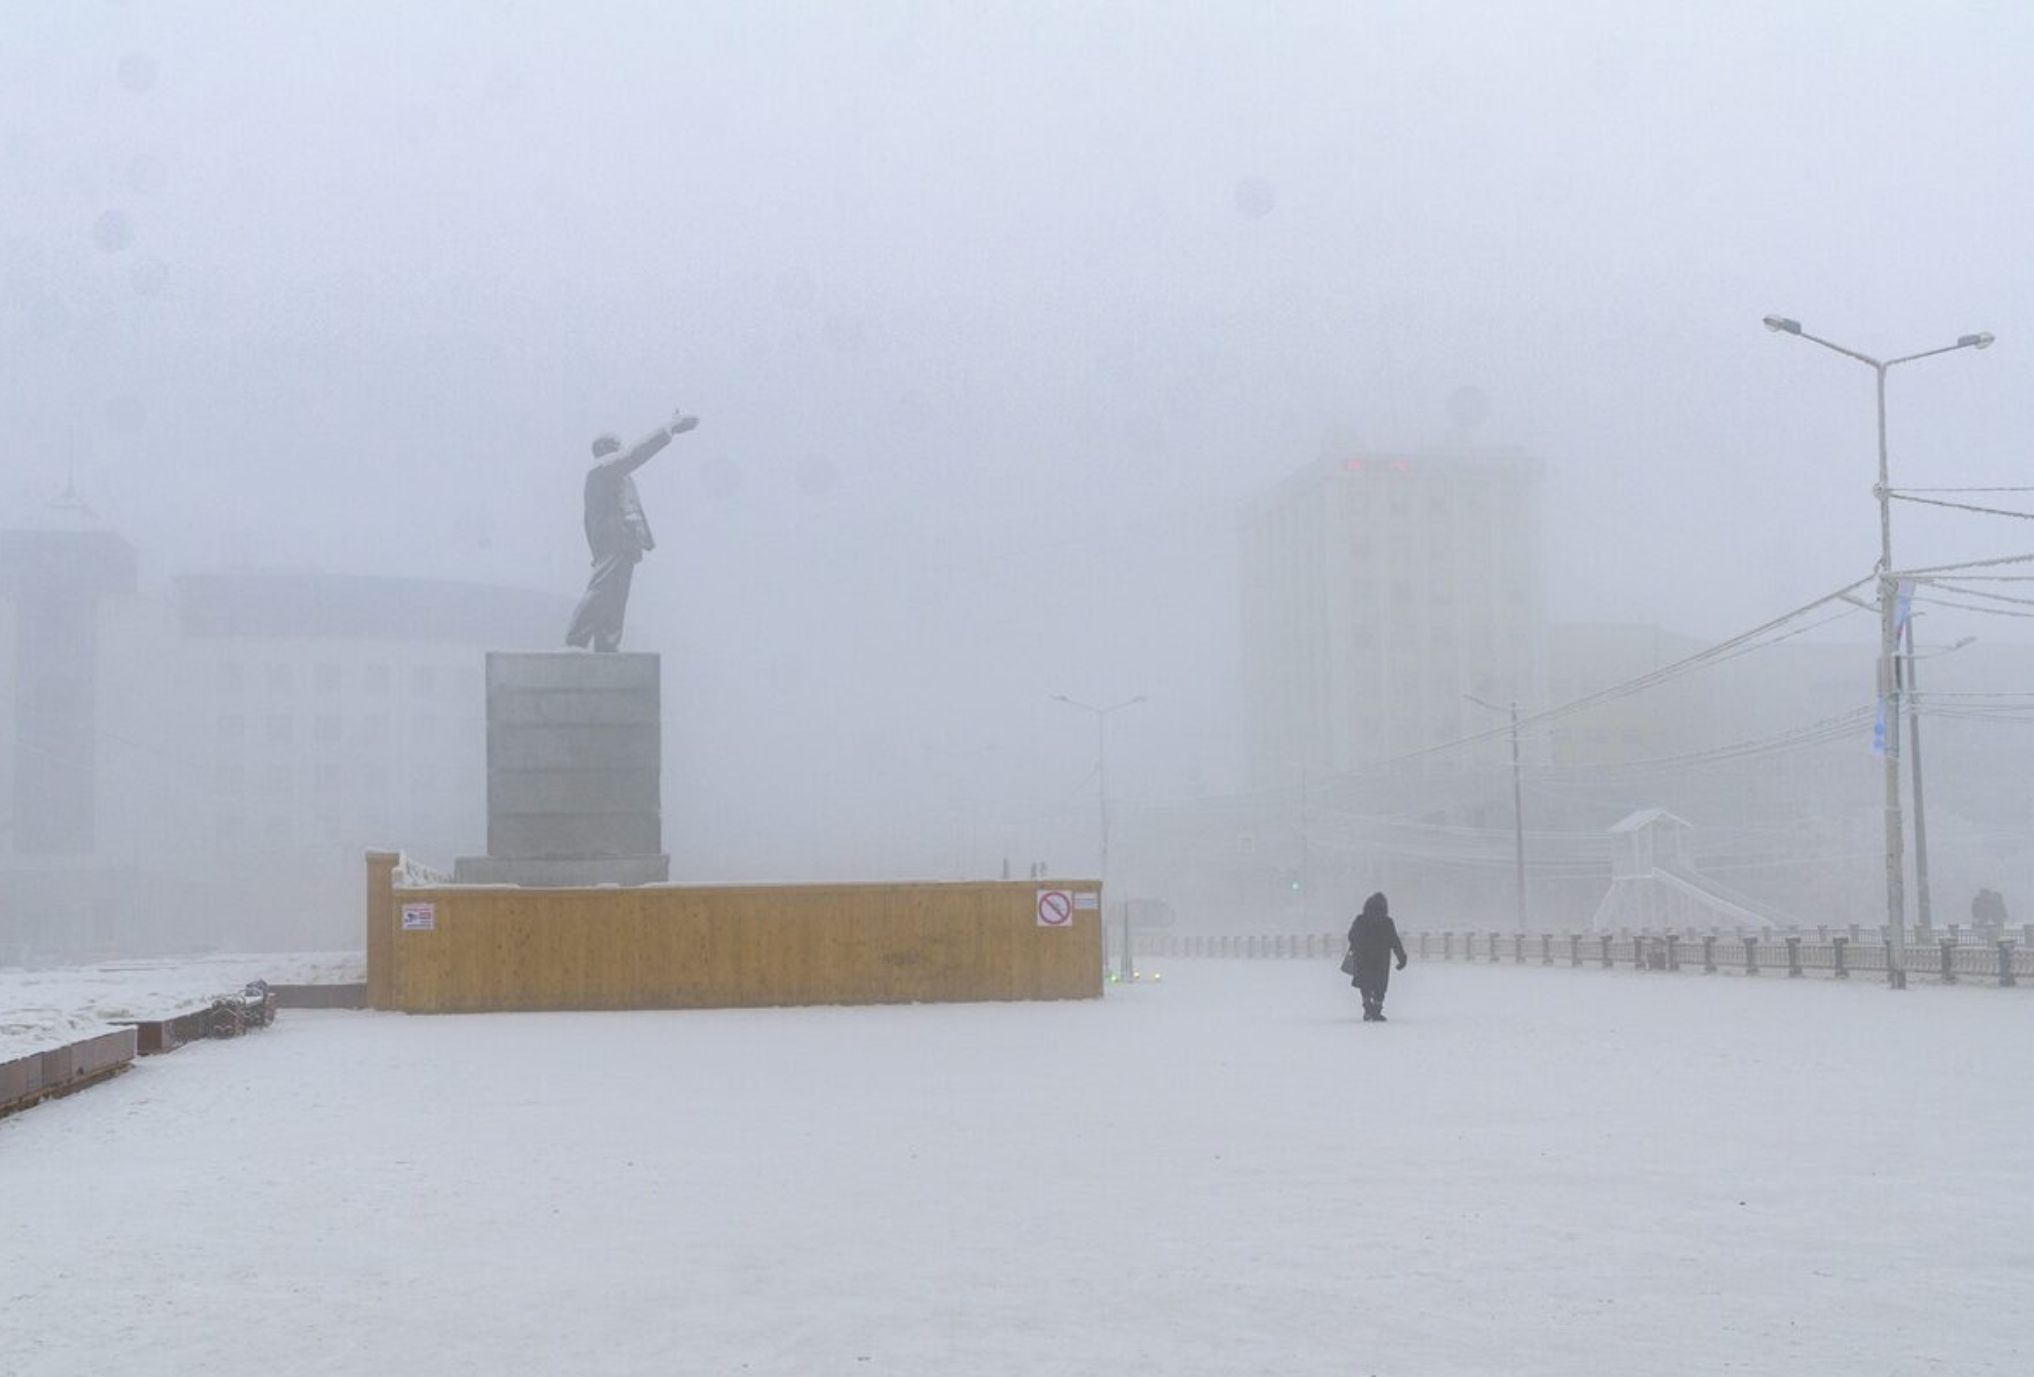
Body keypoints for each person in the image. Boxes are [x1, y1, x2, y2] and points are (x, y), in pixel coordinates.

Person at [564, 409, 699, 652]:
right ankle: (575, 641)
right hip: (613, 541)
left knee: (616, 597)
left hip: (625, 543)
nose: (621, 448)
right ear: (606, 448)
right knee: (601, 591)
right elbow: (634, 455)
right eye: (616, 445)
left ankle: (608, 644)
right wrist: (669, 427)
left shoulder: (616, 476)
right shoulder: (602, 468)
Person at [1347, 891, 1408, 1022]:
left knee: (1365, 984)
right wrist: (1402, 958)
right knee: (1380, 985)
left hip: (1362, 958)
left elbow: (1351, 936)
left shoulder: (1360, 920)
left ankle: (1367, 1006)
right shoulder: (1387, 922)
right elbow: (1395, 941)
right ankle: (1377, 1009)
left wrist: (1358, 944)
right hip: (1381, 960)